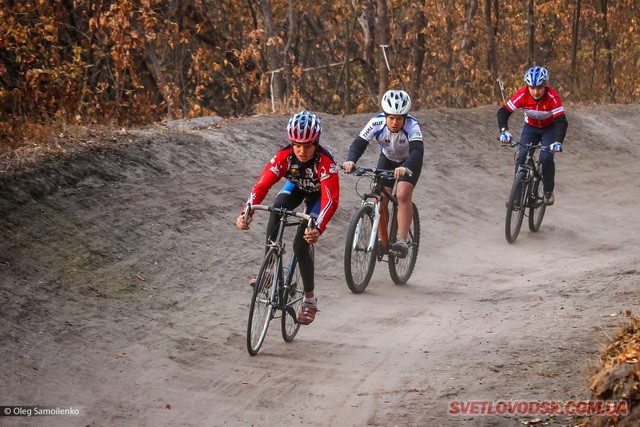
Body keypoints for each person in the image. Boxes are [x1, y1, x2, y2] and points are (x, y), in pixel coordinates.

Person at [235, 110, 339, 325]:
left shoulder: (326, 163)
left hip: (319, 197)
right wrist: (247, 211)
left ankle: (310, 300)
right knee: (276, 210)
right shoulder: (284, 157)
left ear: (316, 142)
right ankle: (269, 272)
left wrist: (318, 228)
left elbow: (331, 200)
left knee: (301, 245)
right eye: (297, 145)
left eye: (308, 145)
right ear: (291, 143)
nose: (302, 151)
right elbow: (262, 185)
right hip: (297, 187)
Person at [342, 89, 424, 258]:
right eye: (391, 118)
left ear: (405, 117)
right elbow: (359, 143)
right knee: (380, 198)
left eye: (399, 118)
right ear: (385, 115)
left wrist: (406, 167)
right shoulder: (376, 123)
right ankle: (383, 239)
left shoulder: (412, 125)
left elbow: (417, 150)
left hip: (409, 161)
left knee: (402, 194)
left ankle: (401, 240)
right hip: (387, 158)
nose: (394, 122)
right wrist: (351, 160)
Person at [497, 66, 568, 206]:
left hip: (549, 129)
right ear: (527, 86)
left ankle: (548, 191)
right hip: (531, 128)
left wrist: (558, 142)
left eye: (540, 88)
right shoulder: (522, 95)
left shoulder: (552, 97)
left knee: (546, 158)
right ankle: (516, 196)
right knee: (522, 156)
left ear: (545, 86)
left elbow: (561, 121)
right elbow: (503, 112)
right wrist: (504, 131)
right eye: (532, 87)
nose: (536, 92)